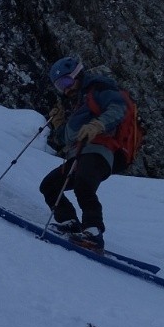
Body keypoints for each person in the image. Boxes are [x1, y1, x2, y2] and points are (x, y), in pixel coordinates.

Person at [39, 56, 142, 250]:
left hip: (100, 150)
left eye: (66, 81)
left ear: (77, 74)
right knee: (50, 185)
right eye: (60, 86)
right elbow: (66, 139)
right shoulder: (77, 104)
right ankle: (69, 222)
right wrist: (59, 124)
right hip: (79, 154)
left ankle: (93, 231)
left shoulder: (100, 89)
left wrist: (98, 125)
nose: (65, 89)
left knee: (84, 184)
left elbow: (118, 109)